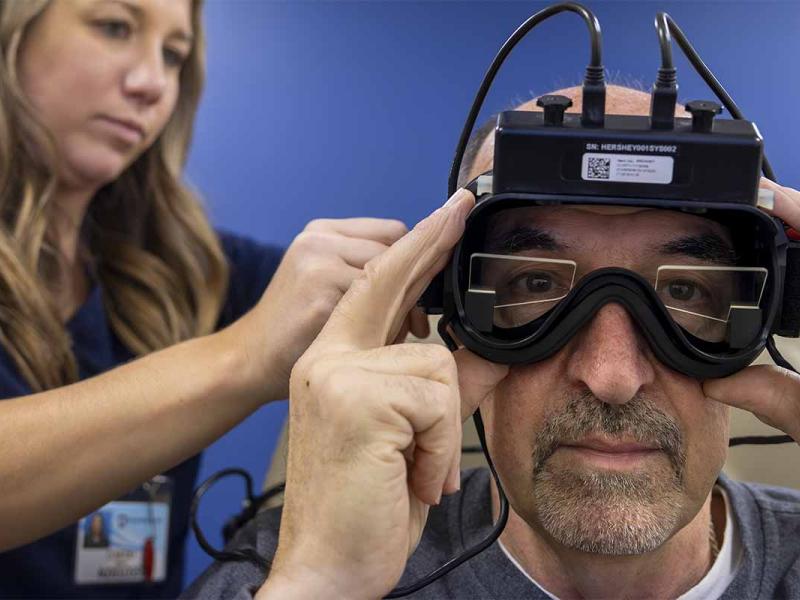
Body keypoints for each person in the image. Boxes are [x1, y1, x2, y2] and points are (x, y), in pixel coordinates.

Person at [185, 86, 800, 599]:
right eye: (537, 283)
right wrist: (321, 583)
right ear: (453, 317)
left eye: (686, 293)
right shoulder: (290, 567)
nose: (612, 375)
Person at [0, 0, 426, 597]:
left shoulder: (184, 269)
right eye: (114, 27)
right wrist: (245, 357)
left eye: (173, 56)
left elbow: (387, 301)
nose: (151, 83)